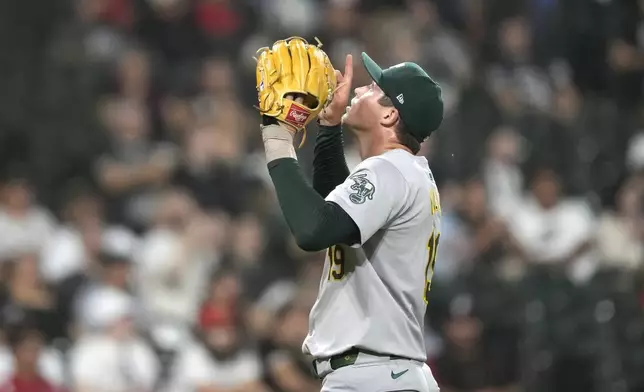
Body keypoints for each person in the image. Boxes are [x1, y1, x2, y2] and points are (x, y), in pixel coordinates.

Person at [258, 51, 444, 391]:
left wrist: (277, 137)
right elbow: (339, 225)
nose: (359, 89)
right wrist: (328, 129)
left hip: (375, 375)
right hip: (386, 373)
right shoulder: (405, 172)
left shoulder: (390, 169)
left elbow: (314, 230)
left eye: (373, 87)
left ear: (390, 114)